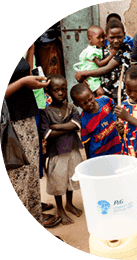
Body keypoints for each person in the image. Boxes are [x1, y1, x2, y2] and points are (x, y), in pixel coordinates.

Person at [5, 57, 53, 226]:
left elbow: (23, 70)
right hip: (11, 126)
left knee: (32, 176)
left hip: (26, 118)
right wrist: (24, 82)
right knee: (19, 180)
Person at [40, 74, 83, 225]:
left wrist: (57, 126)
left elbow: (77, 125)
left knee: (72, 178)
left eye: (63, 89)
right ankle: (60, 209)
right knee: (58, 182)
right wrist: (68, 127)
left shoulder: (71, 107)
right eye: (56, 90)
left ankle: (69, 204)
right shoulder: (46, 111)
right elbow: (47, 134)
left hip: (72, 149)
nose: (60, 93)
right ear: (48, 92)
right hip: (56, 153)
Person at [75, 19, 131, 104]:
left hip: (119, 94)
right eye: (112, 37)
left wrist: (83, 73)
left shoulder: (125, 49)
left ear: (124, 35)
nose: (116, 40)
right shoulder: (103, 49)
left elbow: (106, 69)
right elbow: (92, 65)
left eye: (119, 37)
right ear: (106, 37)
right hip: (104, 93)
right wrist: (83, 76)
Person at [71, 83, 121, 158]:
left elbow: (114, 108)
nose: (89, 103)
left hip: (116, 146)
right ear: (77, 104)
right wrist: (89, 161)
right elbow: (86, 142)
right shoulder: (84, 120)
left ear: (92, 92)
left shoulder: (105, 100)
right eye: (84, 103)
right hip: (99, 154)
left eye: (90, 99)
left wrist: (116, 122)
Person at [73, 25, 116, 96]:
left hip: (93, 76)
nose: (102, 39)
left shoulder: (96, 49)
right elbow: (100, 64)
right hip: (92, 77)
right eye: (98, 37)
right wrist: (111, 55)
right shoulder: (92, 51)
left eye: (103, 36)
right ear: (90, 39)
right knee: (100, 92)